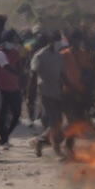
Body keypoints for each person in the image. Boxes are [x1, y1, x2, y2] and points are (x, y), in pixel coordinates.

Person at [29, 31, 67, 159]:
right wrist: (30, 93)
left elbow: (61, 74)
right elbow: (33, 74)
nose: (59, 43)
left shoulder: (59, 56)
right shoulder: (40, 55)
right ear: (51, 42)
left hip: (57, 92)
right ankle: (57, 150)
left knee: (58, 121)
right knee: (53, 121)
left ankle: (39, 141)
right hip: (45, 91)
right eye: (57, 41)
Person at [60, 29, 95, 155]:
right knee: (72, 121)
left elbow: (91, 72)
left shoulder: (85, 54)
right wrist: (67, 84)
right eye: (75, 40)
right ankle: (63, 143)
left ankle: (65, 143)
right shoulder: (64, 54)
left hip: (82, 92)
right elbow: (60, 73)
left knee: (78, 121)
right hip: (69, 93)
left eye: (78, 40)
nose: (77, 42)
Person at [0, 30, 24, 148]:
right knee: (2, 115)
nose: (12, 43)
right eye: (10, 41)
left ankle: (5, 135)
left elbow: (19, 68)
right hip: (1, 87)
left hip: (14, 87)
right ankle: (3, 138)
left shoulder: (15, 53)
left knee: (16, 114)